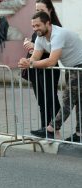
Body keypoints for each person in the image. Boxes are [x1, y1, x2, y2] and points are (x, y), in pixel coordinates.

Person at [18, 11, 82, 142]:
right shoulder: (40, 37)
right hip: (72, 68)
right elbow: (35, 56)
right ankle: (80, 135)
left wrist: (30, 63)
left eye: (38, 25)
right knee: (78, 102)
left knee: (68, 100)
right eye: (33, 26)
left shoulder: (58, 34)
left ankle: (51, 129)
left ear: (48, 23)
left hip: (79, 67)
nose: (35, 29)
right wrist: (27, 62)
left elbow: (51, 61)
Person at [22, 0, 61, 133]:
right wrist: (30, 46)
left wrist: (34, 47)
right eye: (36, 10)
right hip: (36, 68)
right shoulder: (37, 26)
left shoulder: (55, 28)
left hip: (49, 68)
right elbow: (36, 47)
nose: (38, 12)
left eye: (41, 10)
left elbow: (55, 50)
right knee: (41, 101)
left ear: (50, 10)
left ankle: (55, 130)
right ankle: (44, 128)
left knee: (51, 99)